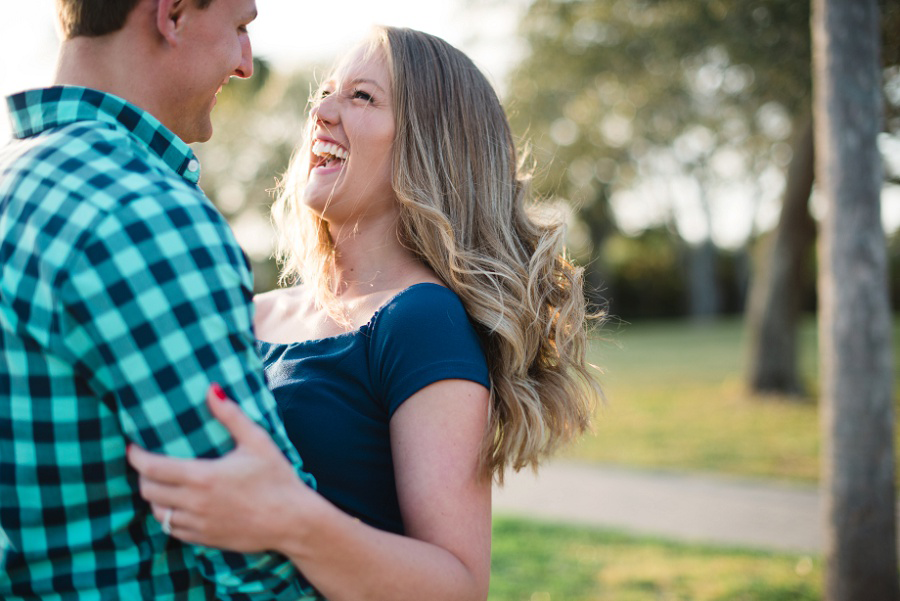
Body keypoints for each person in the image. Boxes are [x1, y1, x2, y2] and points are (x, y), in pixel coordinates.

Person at [128, 26, 604, 601]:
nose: (322, 112)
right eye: (325, 92)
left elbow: (456, 586)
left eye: (362, 97)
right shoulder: (244, 309)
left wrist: (290, 518)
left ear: (429, 144)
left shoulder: (421, 321)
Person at [0, 1, 317, 599]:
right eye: (241, 27)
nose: (246, 63)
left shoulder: (15, 181)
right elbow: (261, 560)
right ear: (171, 15)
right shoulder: (144, 216)